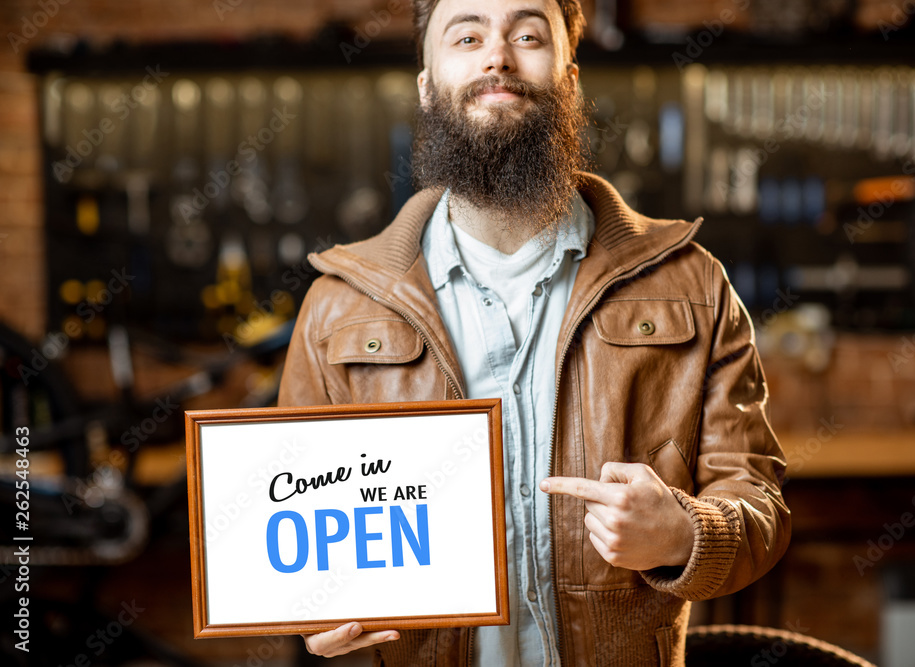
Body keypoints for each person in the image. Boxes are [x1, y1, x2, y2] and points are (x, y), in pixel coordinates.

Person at [277, 0, 790, 664]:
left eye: (527, 34)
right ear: (426, 84)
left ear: (569, 78)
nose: (498, 56)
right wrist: (310, 613)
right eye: (467, 35)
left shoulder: (692, 284)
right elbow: (292, 540)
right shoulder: (335, 308)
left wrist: (686, 535)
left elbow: (759, 501)